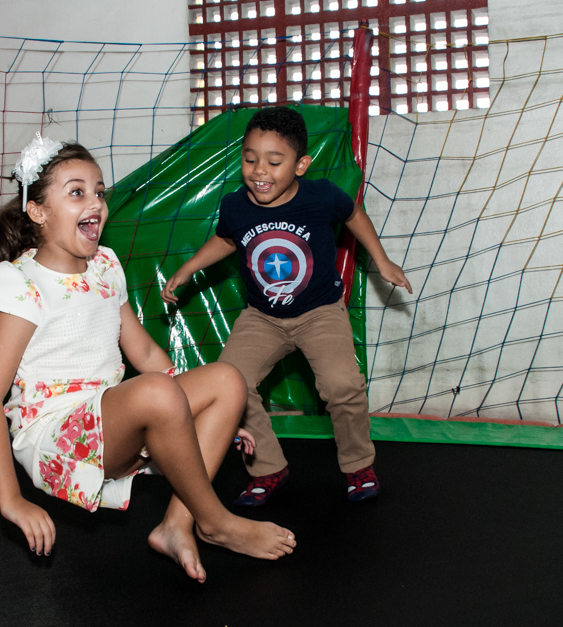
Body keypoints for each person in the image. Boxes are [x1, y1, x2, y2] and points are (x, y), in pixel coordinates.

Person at [0, 134, 295, 583]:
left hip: (111, 415)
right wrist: (11, 500)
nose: (96, 202)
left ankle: (175, 526)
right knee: (158, 392)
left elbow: (142, 351)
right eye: (77, 192)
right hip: (55, 438)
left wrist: (201, 410)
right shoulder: (21, 282)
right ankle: (215, 522)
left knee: (227, 382)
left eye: (100, 191)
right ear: (38, 211)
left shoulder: (104, 265)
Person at [161, 106, 413, 507]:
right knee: (233, 385)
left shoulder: (321, 197)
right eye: (249, 159)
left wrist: (381, 261)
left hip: (320, 312)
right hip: (262, 317)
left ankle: (357, 465)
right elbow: (227, 240)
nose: (260, 170)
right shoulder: (235, 206)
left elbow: (353, 215)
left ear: (300, 165)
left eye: (274, 162)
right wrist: (188, 268)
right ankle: (268, 467)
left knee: (342, 386)